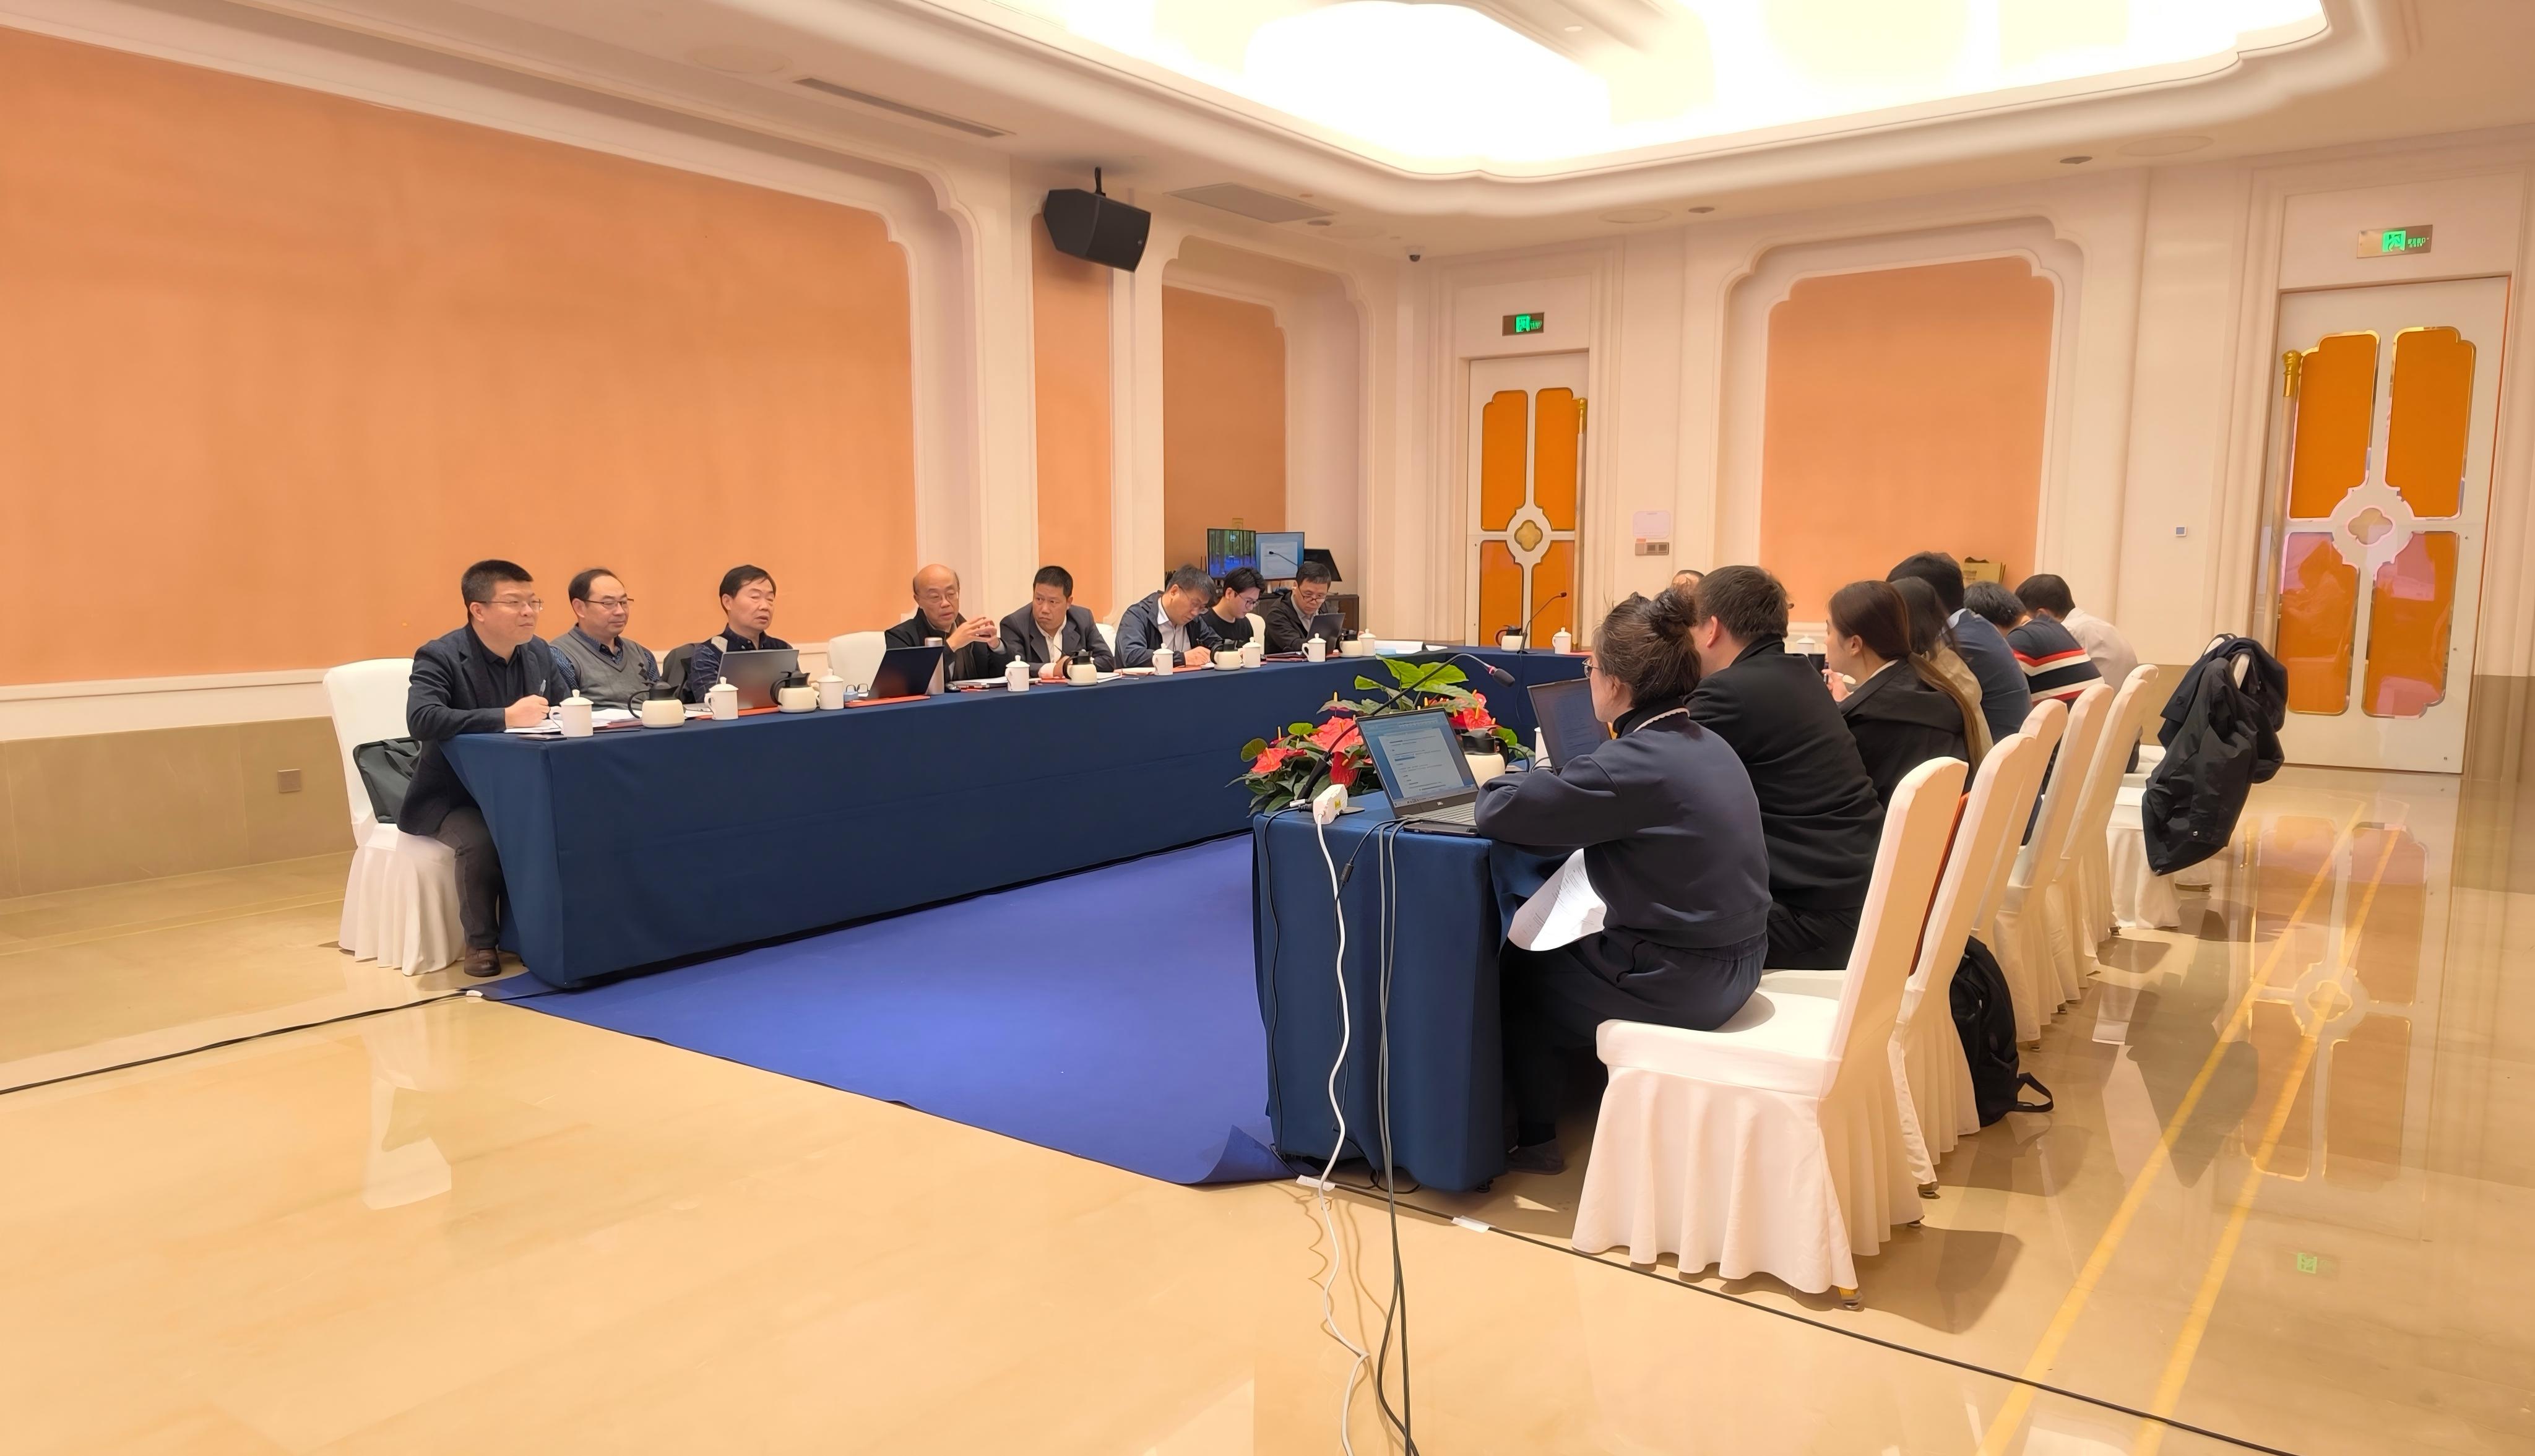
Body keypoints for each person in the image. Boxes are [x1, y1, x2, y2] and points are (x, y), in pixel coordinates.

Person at [1478, 590, 1771, 1174]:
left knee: (1523, 974)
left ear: (1614, 684)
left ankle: (1534, 1141)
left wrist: (1504, 775)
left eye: (1591, 667)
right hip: (1744, 960)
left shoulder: (1631, 764)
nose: (1589, 677)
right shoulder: (1707, 743)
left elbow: (1499, 812)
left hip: (1688, 981)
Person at [1681, 566, 1885, 970]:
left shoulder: (1730, 692)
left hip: (1818, 923)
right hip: (1861, 900)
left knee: (1649, 929)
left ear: (1711, 629)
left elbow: (1651, 766)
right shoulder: (1800, 674)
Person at [403, 560, 571, 978]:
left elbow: (566, 706)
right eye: (514, 603)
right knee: (481, 841)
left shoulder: (538, 652)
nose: (529, 612)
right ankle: (481, 943)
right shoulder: (441, 655)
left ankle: (542, 934)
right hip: (455, 795)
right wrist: (504, 717)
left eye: (534, 602)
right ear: (478, 610)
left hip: (524, 787)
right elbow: (422, 718)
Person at [1823, 580, 1982, 804]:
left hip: (1887, 826)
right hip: (1939, 822)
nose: (1825, 640)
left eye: (1829, 630)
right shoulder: (1928, 683)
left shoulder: (1865, 721)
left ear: (1854, 645)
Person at [1888, 552, 2030, 746]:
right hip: (2009, 750)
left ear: (1923, 599)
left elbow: (1904, 701)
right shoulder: (1977, 624)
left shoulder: (1954, 648)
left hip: (1991, 756)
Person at [1966, 580, 2102, 706]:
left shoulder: (2021, 641)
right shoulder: (2053, 626)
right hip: (2081, 722)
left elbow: (1986, 694)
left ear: (1982, 623)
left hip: (2057, 724)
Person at [550, 567, 657, 709]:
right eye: (608, 603)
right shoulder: (560, 655)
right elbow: (565, 714)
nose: (620, 611)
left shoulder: (643, 655)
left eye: (624, 602)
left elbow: (662, 703)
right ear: (579, 608)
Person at [2016, 572, 2140, 689]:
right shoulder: (2105, 627)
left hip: (2093, 703)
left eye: (2025, 620)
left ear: (2041, 615)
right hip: (2113, 703)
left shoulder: (2065, 632)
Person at [685, 565, 792, 701]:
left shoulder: (783, 649)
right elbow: (712, 704)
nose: (765, 606)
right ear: (728, 602)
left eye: (770, 599)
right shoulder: (710, 653)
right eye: (755, 597)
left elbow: (797, 698)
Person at [887, 563, 1010, 681]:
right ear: (918, 600)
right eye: (935, 597)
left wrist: (996, 646)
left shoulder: (973, 635)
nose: (945, 603)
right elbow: (908, 682)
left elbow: (1003, 678)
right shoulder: (900, 637)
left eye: (951, 594)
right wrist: (952, 644)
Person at [999, 564, 1115, 677]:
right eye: (1039, 599)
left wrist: (1071, 665)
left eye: (1053, 602)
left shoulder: (1083, 619)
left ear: (1068, 602)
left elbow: (1107, 661)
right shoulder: (1014, 624)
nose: (1044, 609)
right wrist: (1053, 670)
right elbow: (1014, 667)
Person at [1115, 566, 1217, 668]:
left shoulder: (1194, 621)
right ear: (1174, 592)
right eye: (1194, 604)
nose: (1196, 613)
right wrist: (1182, 658)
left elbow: (1217, 645)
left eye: (1202, 608)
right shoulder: (1137, 616)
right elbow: (1132, 656)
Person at [1258, 558, 1336, 655]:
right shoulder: (1277, 615)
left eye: (1320, 596)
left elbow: (1336, 636)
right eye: (1308, 595)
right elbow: (1295, 645)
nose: (1313, 602)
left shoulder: (1325, 608)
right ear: (1295, 587)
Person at [1204, 567, 1264, 650]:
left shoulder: (1245, 624)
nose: (1250, 608)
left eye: (1254, 602)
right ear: (1229, 594)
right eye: (1248, 601)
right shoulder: (1203, 624)